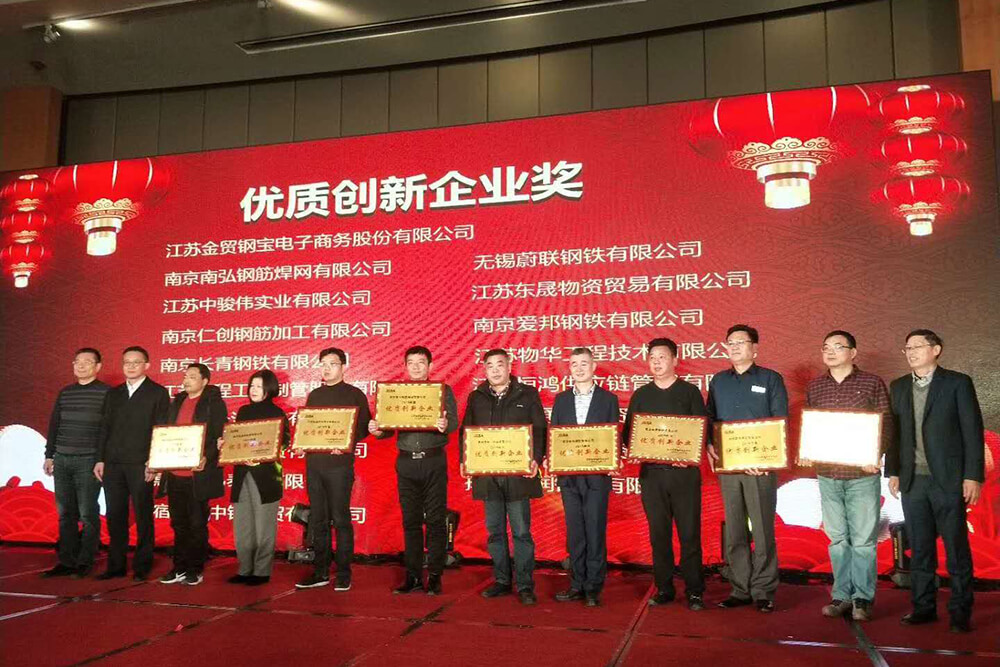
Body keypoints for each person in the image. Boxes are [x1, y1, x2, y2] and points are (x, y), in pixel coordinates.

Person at [886, 329, 984, 633]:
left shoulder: (957, 383)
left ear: (936, 349)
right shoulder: (899, 386)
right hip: (913, 480)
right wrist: (894, 471)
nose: (911, 352)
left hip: (948, 479)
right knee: (920, 547)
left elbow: (972, 431)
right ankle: (923, 607)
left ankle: (960, 611)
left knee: (956, 547)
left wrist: (972, 476)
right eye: (907, 348)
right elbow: (895, 433)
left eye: (918, 346)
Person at [805, 331, 891, 622]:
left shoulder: (871, 382)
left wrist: (875, 454)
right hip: (828, 474)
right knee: (837, 539)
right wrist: (807, 451)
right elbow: (811, 427)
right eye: (825, 347)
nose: (830, 352)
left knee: (864, 540)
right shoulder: (816, 386)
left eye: (838, 347)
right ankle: (841, 595)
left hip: (861, 475)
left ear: (853, 353)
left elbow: (886, 423)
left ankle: (863, 598)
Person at [707, 324, 788, 613]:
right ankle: (740, 588)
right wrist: (709, 445)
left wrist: (766, 459)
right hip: (730, 468)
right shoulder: (719, 381)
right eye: (730, 342)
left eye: (741, 342)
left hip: (760, 468)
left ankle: (763, 590)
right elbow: (710, 418)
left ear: (755, 348)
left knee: (763, 529)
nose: (734, 347)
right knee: (735, 529)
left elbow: (780, 421)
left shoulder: (770, 379)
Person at [623, 338, 708, 611]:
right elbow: (629, 434)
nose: (657, 362)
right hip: (652, 475)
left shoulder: (690, 392)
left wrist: (689, 454)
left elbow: (702, 430)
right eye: (652, 358)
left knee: (689, 534)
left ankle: (694, 590)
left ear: (675, 360)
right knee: (659, 534)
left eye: (662, 357)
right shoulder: (641, 395)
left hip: (684, 475)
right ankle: (664, 588)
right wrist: (635, 448)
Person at [369, 346, 459, 596]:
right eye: (411, 362)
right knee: (410, 522)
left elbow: (454, 422)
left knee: (436, 521)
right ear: (405, 366)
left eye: (421, 362)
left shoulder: (443, 391)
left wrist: (445, 424)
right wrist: (378, 430)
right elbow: (387, 429)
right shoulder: (396, 393)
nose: (416, 367)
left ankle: (436, 576)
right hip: (406, 463)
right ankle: (413, 577)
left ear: (430, 366)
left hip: (433, 461)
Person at [461, 348, 547, 605]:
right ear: (485, 370)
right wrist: (465, 460)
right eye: (490, 366)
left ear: (510, 367)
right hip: (488, 475)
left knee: (521, 532)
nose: (495, 370)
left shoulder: (527, 394)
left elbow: (539, 429)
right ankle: (501, 580)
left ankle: (525, 585)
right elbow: (467, 431)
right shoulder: (476, 397)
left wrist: (536, 458)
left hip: (518, 475)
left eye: (500, 364)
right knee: (495, 531)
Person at [295, 347, 372, 591]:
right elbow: (308, 428)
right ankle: (320, 571)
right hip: (314, 465)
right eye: (323, 364)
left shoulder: (354, 394)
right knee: (318, 519)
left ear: (344, 366)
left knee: (340, 518)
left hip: (339, 466)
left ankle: (343, 573)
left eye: (333, 364)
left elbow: (364, 427)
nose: (327, 368)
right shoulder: (315, 395)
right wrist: (302, 445)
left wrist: (346, 443)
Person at [551, 347, 620, 607]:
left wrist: (613, 459)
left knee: (595, 530)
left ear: (593, 367)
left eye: (583, 363)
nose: (579, 368)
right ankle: (577, 583)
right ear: (569, 368)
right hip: (569, 477)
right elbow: (555, 434)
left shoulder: (608, 399)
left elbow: (613, 436)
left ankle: (593, 587)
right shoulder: (561, 400)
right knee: (575, 533)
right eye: (574, 364)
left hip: (597, 477)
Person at [94, 346, 170, 581]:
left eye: (136, 362)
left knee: (143, 515)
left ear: (147, 365)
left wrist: (154, 461)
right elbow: (104, 428)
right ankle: (115, 566)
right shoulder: (114, 394)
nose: (131, 366)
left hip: (141, 463)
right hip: (113, 463)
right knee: (115, 515)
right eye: (127, 362)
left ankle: (142, 565)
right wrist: (100, 459)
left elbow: (162, 429)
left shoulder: (157, 393)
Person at [42, 348, 110, 579]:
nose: (80, 365)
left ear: (98, 367)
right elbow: (55, 424)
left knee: (88, 513)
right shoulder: (66, 392)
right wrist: (49, 455)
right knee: (65, 514)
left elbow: (107, 430)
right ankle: (67, 561)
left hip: (88, 460)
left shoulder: (106, 393)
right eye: (77, 361)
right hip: (62, 458)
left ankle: (85, 561)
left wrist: (101, 459)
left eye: (87, 362)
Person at [155, 363, 226, 586]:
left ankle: (195, 568)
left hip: (198, 475)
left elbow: (221, 435)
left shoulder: (213, 403)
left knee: (197, 523)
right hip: (175, 472)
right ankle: (179, 567)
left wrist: (207, 457)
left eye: (192, 377)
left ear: (205, 381)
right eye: (185, 376)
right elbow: (166, 433)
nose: (186, 380)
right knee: (178, 523)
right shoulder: (177, 401)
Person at [225, 369, 288, 585]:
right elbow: (237, 439)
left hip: (266, 476)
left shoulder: (277, 413)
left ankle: (261, 571)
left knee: (264, 526)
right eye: (252, 386)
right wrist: (227, 444)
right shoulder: (243, 411)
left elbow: (284, 442)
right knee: (243, 525)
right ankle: (244, 569)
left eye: (259, 386)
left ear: (269, 389)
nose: (254, 390)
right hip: (242, 473)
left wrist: (261, 457)